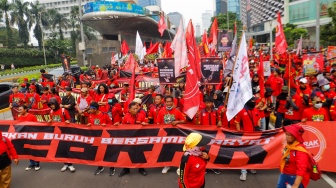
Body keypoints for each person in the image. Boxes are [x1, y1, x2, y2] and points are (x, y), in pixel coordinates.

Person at [157, 95, 186, 174]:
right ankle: (167, 165)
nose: (169, 103)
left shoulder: (177, 111)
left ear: (172, 102)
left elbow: (184, 120)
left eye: (170, 102)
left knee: (177, 150)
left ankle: (179, 165)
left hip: (175, 135)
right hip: (165, 135)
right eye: (167, 102)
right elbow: (158, 123)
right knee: (166, 150)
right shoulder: (161, 112)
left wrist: (177, 122)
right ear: (165, 103)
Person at [117, 102, 148, 177]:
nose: (136, 110)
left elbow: (147, 125)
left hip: (138, 139)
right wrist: (118, 125)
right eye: (134, 109)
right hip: (129, 139)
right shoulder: (126, 117)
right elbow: (122, 127)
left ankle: (141, 168)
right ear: (129, 110)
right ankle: (126, 169)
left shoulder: (142, 115)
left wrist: (145, 124)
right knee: (126, 154)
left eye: (137, 108)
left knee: (140, 154)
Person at [47, 98, 76, 172]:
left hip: (65, 133)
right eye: (50, 105)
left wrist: (67, 121)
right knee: (61, 149)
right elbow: (52, 121)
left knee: (67, 148)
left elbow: (69, 119)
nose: (52, 106)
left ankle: (70, 165)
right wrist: (50, 121)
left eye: (53, 104)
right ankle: (65, 164)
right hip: (57, 133)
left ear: (56, 104)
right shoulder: (51, 112)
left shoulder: (63, 110)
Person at [235, 98, 260, 181]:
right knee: (244, 154)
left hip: (254, 136)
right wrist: (239, 134)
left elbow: (258, 120)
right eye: (253, 101)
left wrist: (258, 130)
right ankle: (243, 171)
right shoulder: (242, 111)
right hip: (245, 137)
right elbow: (237, 122)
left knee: (252, 152)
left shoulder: (256, 110)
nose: (255, 102)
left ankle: (250, 167)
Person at [16, 105, 41, 171]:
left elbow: (36, 126)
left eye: (21, 109)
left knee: (34, 150)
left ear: (25, 109)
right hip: (25, 137)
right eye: (19, 110)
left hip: (32, 136)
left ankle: (37, 163)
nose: (19, 111)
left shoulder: (32, 116)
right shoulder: (19, 118)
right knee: (28, 150)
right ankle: (31, 163)